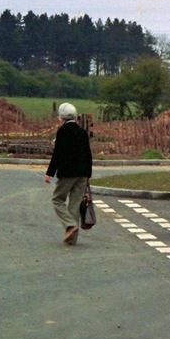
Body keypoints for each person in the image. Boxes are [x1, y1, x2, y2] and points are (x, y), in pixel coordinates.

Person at [44, 102, 93, 245]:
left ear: (62, 117)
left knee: (57, 199)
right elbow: (88, 154)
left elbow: (57, 154)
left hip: (67, 173)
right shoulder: (82, 132)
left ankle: (69, 225)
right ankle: (71, 239)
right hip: (82, 174)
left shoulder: (63, 131)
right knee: (75, 204)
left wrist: (49, 173)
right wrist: (88, 174)